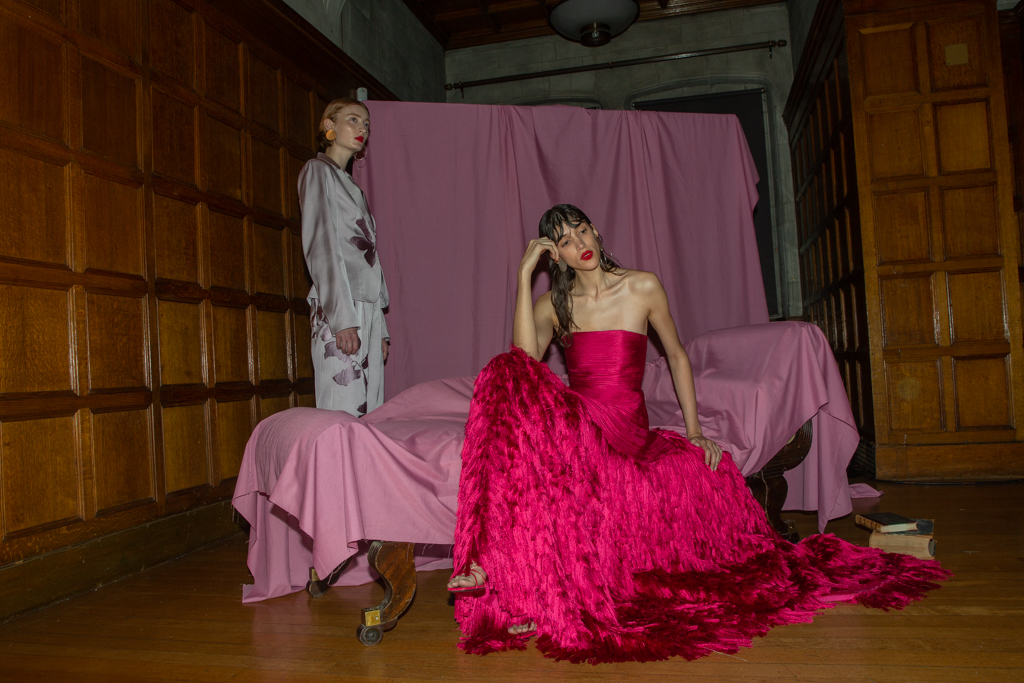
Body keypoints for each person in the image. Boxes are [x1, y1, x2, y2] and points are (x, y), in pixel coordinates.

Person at [447, 204, 949, 663]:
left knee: (516, 401)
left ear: (596, 232)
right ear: (553, 255)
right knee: (503, 376)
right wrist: (522, 276)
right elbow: (523, 363)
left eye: (581, 229)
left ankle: (494, 571)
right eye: (563, 239)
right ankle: (487, 566)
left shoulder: (642, 287)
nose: (578, 241)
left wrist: (694, 432)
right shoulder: (554, 305)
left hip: (624, 426)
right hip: (581, 423)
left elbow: (677, 356)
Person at [300, 98, 390, 416]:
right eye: (353, 119)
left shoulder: (353, 187)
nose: (361, 128)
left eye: (366, 124)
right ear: (329, 126)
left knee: (371, 413)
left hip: (367, 307)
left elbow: (369, 259)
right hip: (340, 306)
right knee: (342, 407)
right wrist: (342, 321)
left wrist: (379, 329)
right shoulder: (317, 171)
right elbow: (321, 246)